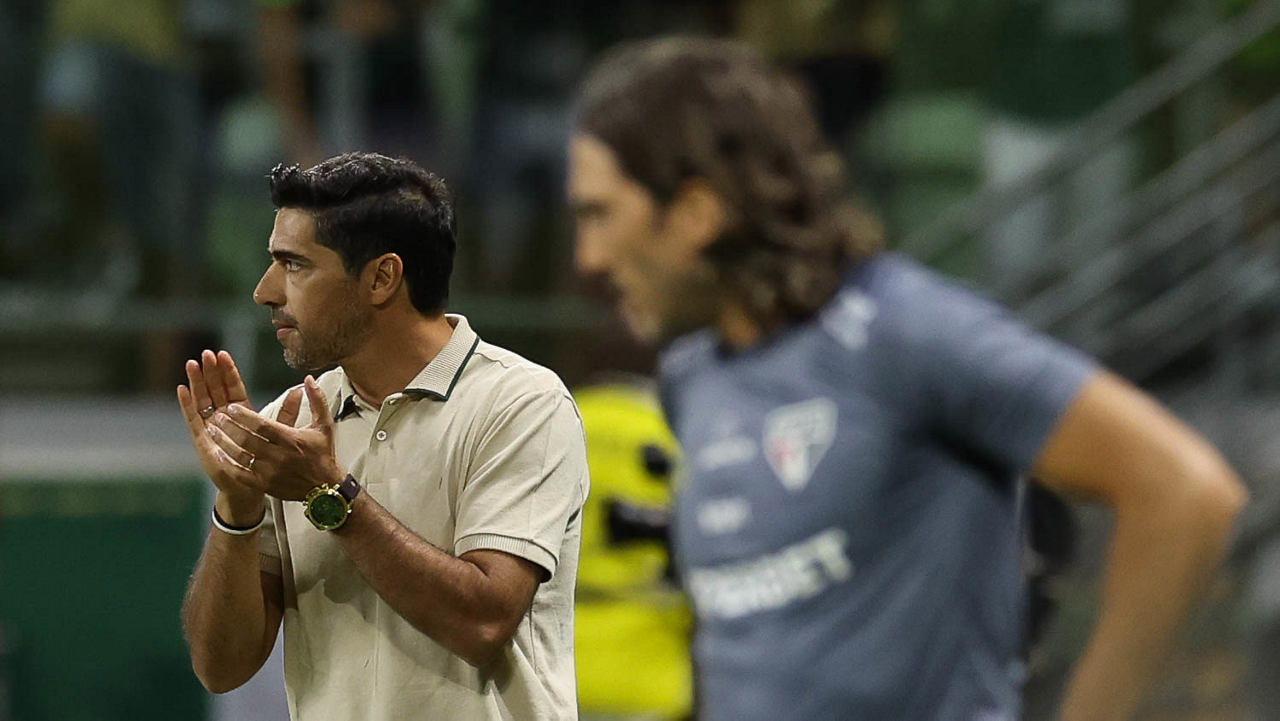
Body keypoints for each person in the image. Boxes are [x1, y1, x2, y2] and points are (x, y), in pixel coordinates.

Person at [567, 37, 1248, 720]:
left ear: (695, 212)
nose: (588, 256)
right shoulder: (693, 377)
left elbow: (1185, 493)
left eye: (600, 214)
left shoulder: (906, 333)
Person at [177, 152, 589, 719]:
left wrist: (329, 494)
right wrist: (237, 506)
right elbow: (221, 669)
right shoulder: (289, 427)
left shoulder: (522, 405)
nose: (264, 291)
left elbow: (484, 623)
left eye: (294, 265)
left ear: (381, 278)